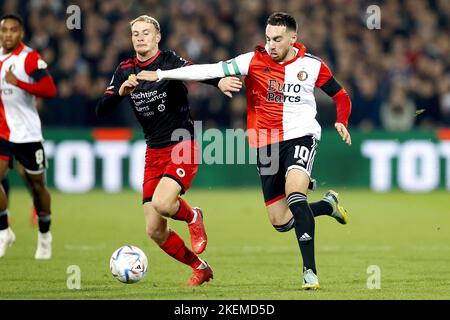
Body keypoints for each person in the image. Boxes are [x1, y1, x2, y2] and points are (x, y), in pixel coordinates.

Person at [137, 12, 352, 290]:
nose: (271, 44)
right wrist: (162, 73)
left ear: (293, 38)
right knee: (281, 221)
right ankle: (327, 205)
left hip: (301, 136)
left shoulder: (312, 65)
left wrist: (341, 119)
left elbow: (340, 95)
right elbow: (208, 70)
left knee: (295, 194)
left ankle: (309, 271)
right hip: (265, 145)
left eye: (277, 39)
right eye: (268, 38)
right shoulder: (252, 61)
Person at [96, 15, 242, 286]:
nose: (140, 38)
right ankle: (200, 268)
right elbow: (100, 109)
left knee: (164, 204)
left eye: (146, 33)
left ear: (157, 37)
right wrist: (120, 93)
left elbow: (196, 71)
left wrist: (219, 82)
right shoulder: (124, 69)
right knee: (154, 229)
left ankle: (193, 216)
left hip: (182, 143)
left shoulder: (168, 62)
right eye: (135, 34)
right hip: (154, 152)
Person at [0, 14, 57, 259]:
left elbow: (50, 90)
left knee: (37, 186)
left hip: (27, 134)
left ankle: (45, 234)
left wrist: (19, 83)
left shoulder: (29, 58)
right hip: (2, 132)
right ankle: (4, 231)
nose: (8, 34)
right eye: (4, 30)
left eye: (13, 30)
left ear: (21, 33)